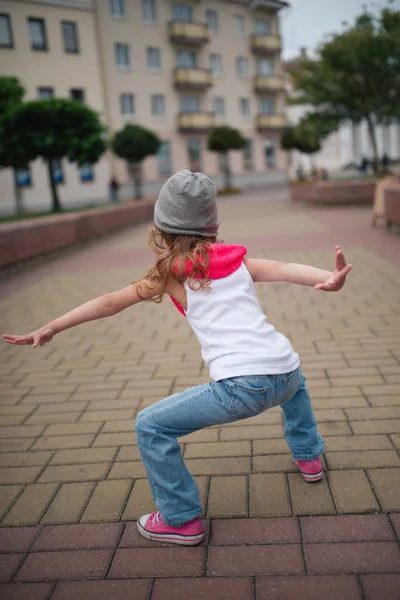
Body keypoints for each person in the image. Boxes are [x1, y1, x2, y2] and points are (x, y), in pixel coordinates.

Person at [3, 170, 353, 547]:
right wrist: (327, 278)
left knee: (150, 426)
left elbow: (109, 303)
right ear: (212, 225)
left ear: (162, 230)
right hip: (287, 372)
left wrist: (53, 325)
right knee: (294, 387)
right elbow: (285, 269)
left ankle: (180, 519)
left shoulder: (170, 274)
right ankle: (309, 457)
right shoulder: (238, 261)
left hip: (240, 386)